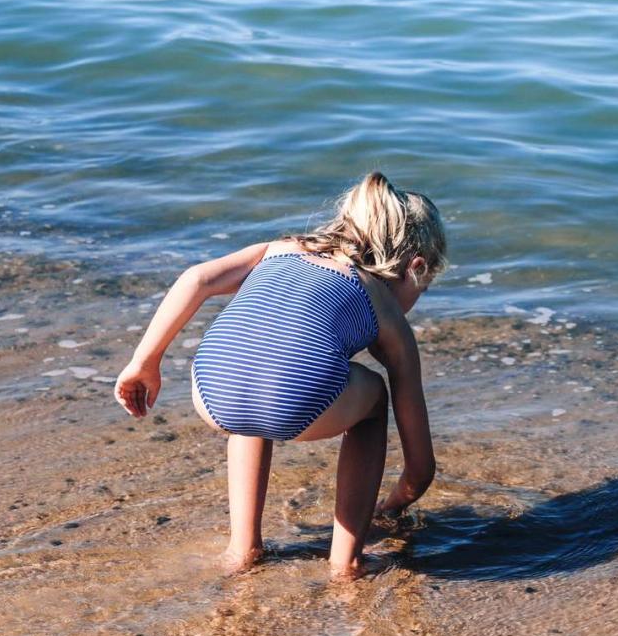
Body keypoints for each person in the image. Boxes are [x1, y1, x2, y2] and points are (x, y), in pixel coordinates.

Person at [112, 170, 447, 580]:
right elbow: (420, 465)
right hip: (294, 401)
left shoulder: (279, 248)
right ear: (415, 267)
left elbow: (196, 278)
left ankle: (242, 549)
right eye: (423, 288)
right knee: (374, 397)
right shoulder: (383, 305)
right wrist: (394, 506)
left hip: (212, 389)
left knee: (259, 368)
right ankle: (346, 561)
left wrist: (145, 363)